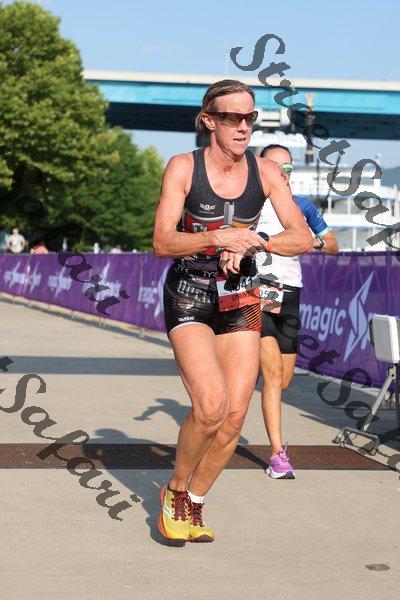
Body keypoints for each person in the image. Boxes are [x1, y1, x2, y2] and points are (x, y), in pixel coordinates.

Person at [153, 80, 312, 543]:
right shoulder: (184, 167)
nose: (244, 127)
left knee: (234, 419)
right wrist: (217, 237)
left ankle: (195, 500)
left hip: (240, 295)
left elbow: (302, 237)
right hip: (190, 293)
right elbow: (162, 241)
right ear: (210, 120)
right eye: (232, 118)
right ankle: (175, 491)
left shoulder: (267, 172)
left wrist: (254, 241)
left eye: (250, 118)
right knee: (210, 406)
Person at [256, 144, 339, 479]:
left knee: (284, 379)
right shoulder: (251, 204)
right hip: (259, 290)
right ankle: (278, 455)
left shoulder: (301, 206)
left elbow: (332, 245)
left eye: (288, 168)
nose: (282, 174)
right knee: (273, 375)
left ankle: (240, 385)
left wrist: (309, 241)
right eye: (275, 167)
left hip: (291, 294)